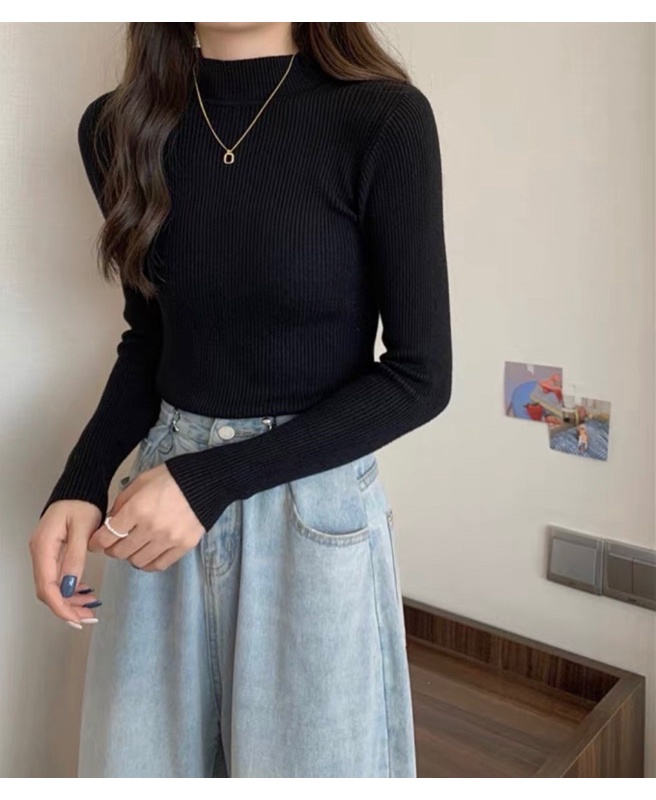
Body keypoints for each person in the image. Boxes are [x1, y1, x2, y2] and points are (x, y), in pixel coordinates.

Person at [29, 21, 452, 778]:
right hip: (160, 508)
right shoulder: (116, 128)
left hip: (309, 512)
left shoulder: (382, 118)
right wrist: (81, 481)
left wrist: (212, 481)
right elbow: (152, 338)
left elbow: (420, 377)